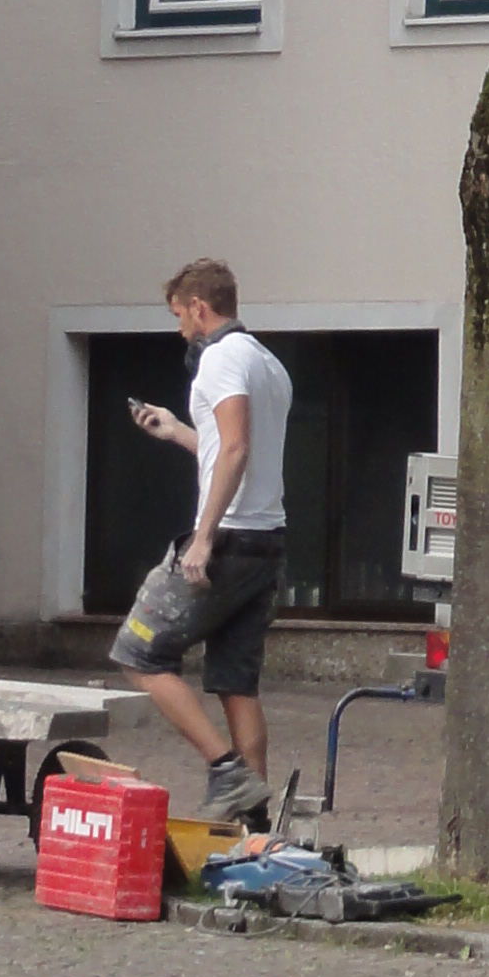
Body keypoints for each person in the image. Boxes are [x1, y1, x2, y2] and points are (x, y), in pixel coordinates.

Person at [110, 257, 294, 826]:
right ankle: (255, 827)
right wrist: (178, 433)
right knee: (237, 683)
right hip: (266, 543)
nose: (180, 330)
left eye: (179, 317)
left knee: (138, 652)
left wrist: (203, 539)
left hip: (229, 540)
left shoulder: (220, 358)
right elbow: (229, 451)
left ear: (199, 307)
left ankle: (225, 770)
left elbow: (235, 448)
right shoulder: (267, 362)